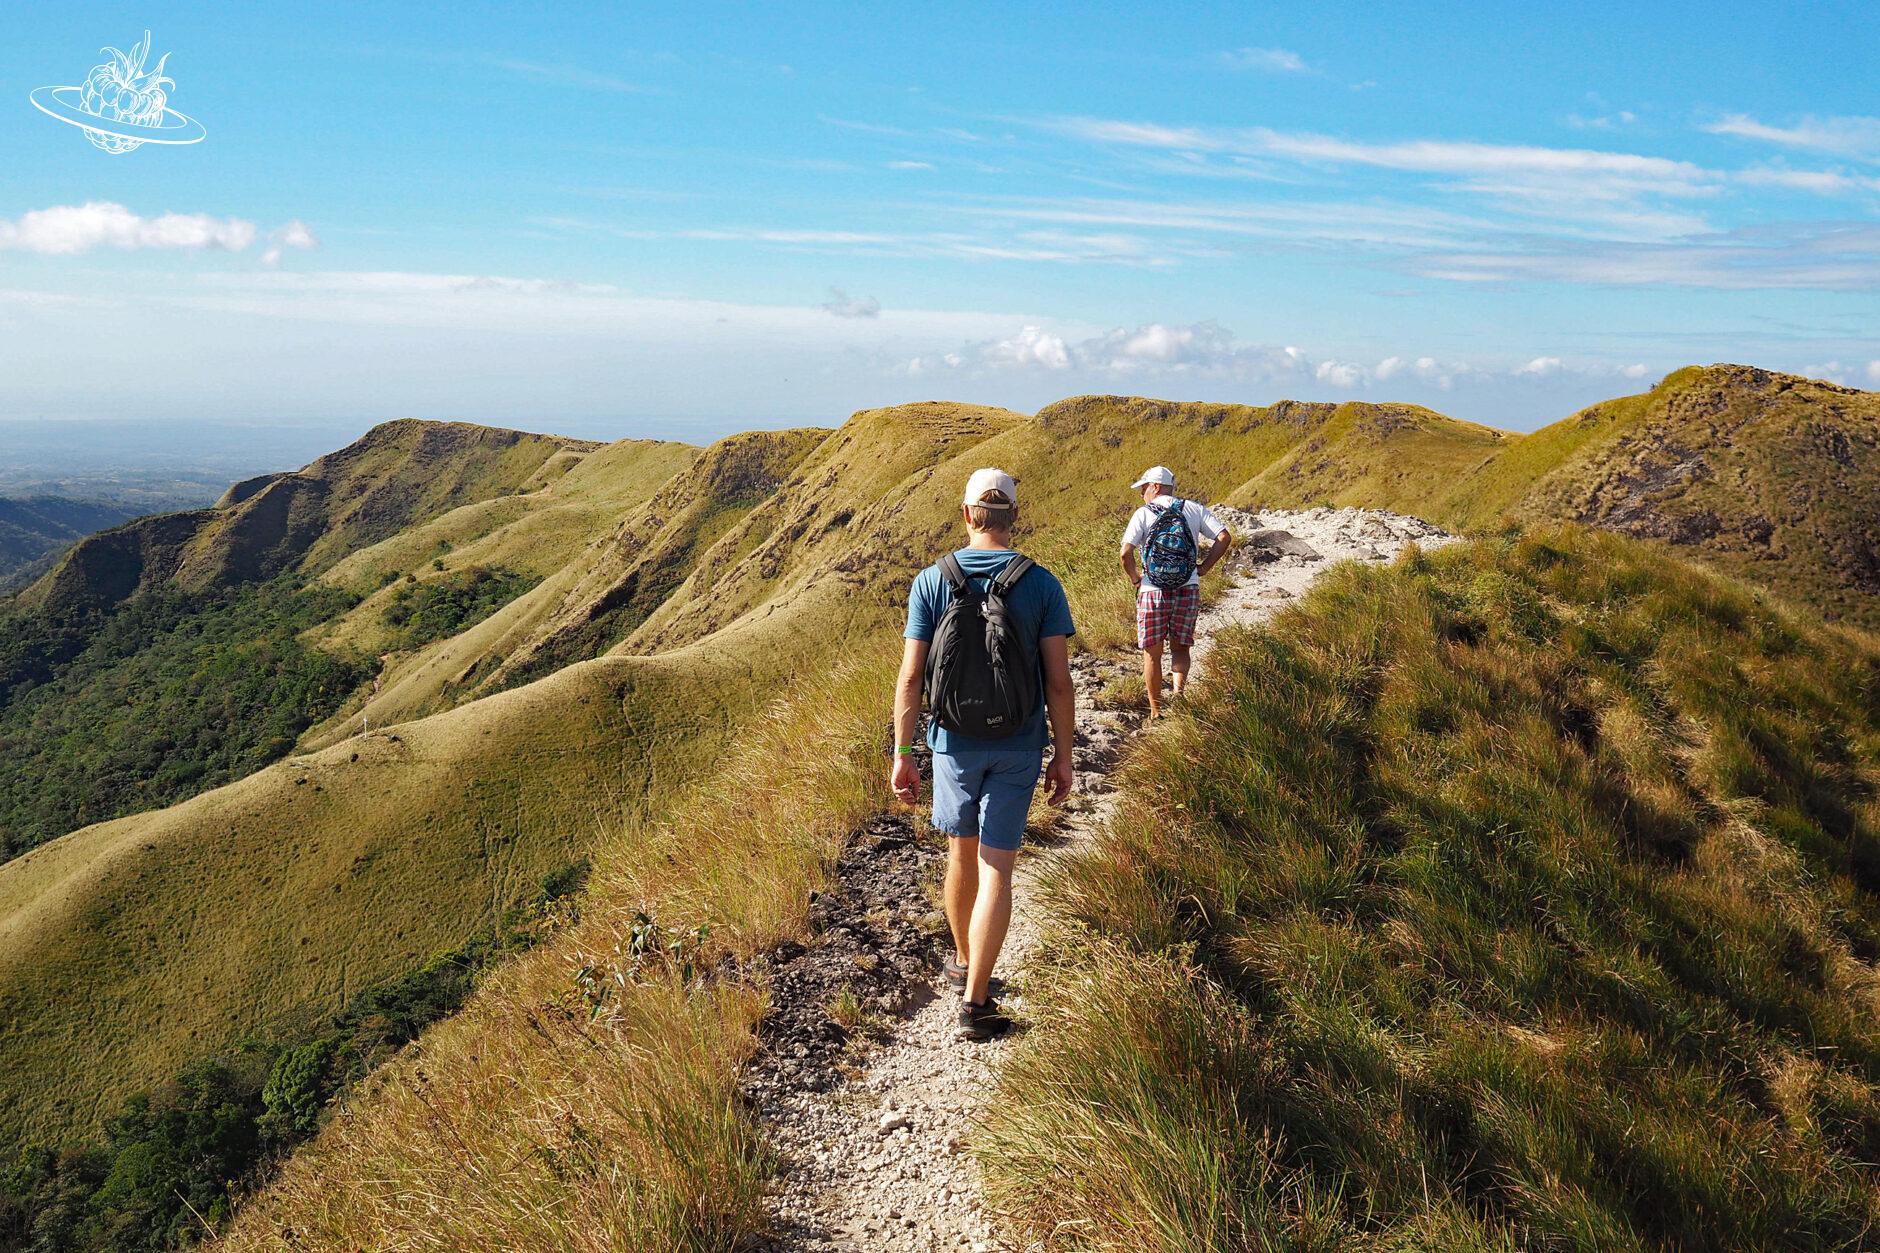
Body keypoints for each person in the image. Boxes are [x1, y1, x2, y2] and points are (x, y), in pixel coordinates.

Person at [892, 467, 1075, 1041]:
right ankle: (976, 1003)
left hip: (951, 741)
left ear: (968, 515)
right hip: (1019, 742)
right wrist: (1064, 755)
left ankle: (966, 961)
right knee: (999, 864)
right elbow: (1059, 682)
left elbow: (912, 675)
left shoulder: (932, 581)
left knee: (960, 853)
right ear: (1012, 517)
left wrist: (903, 753)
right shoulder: (1041, 584)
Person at [1119, 466, 1232, 719]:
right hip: (1187, 587)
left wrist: (1136, 579)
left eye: (1143, 488)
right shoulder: (1194, 509)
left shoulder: (1143, 513)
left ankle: (1156, 711)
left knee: (1152, 654)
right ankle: (1179, 698)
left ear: (1155, 487)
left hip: (1152, 590)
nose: (1141, 495)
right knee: (1181, 648)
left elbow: (1125, 553)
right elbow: (1224, 537)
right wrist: (1203, 568)